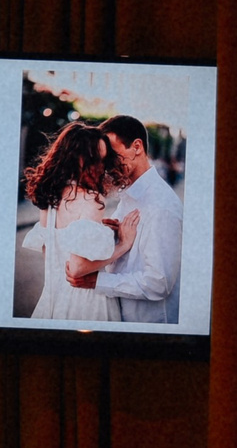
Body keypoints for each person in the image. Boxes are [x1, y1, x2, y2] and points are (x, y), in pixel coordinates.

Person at [63, 115, 183, 323]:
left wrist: (97, 281)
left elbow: (159, 282)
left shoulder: (161, 206)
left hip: (147, 325)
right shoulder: (129, 196)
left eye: (113, 156)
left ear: (136, 147)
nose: (106, 166)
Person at [21, 121, 126, 323]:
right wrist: (123, 245)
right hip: (88, 303)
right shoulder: (92, 200)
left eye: (104, 159)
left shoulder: (50, 197)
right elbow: (77, 269)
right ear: (77, 159)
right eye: (96, 159)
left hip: (53, 299)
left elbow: (53, 254)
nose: (101, 167)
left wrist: (98, 232)